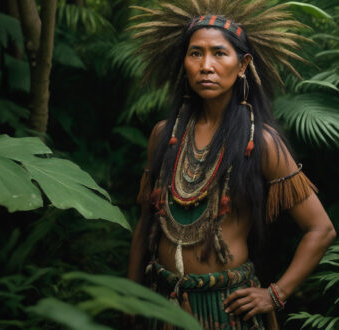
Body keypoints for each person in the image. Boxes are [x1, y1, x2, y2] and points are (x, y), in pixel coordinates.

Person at [126, 1, 337, 329]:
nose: (205, 65)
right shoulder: (163, 136)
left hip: (225, 310)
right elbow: (144, 227)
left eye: (219, 53)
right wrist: (129, 301)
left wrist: (275, 294)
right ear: (184, 64)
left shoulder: (261, 143)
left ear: (242, 65)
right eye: (195, 53)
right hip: (163, 304)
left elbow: (321, 229)